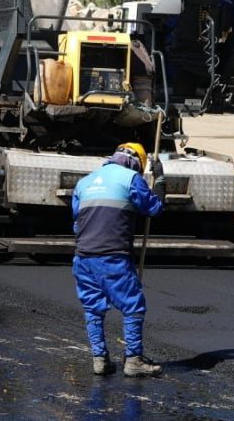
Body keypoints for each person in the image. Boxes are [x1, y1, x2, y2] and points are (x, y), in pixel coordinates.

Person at [72, 142, 164, 377]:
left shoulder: (84, 182)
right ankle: (133, 360)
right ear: (137, 163)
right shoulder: (131, 178)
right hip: (113, 256)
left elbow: (76, 222)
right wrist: (160, 182)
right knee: (133, 305)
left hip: (83, 256)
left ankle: (100, 360)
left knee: (93, 308)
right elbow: (153, 208)